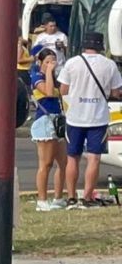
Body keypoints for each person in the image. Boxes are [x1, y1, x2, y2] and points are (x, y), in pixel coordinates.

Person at [57, 31, 122, 208]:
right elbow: (116, 92)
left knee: (72, 158)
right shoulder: (109, 65)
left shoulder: (72, 63)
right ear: (101, 46)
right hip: (98, 118)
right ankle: (87, 197)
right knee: (94, 159)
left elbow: (63, 90)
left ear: (84, 45)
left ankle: (71, 197)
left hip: (75, 117)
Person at [30, 48, 68, 210]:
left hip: (58, 120)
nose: (51, 64)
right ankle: (42, 199)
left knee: (63, 162)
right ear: (40, 63)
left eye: (53, 61)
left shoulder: (56, 78)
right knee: (46, 163)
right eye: (47, 62)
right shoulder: (37, 76)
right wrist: (48, 72)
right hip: (44, 121)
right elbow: (48, 92)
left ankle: (58, 197)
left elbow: (63, 92)